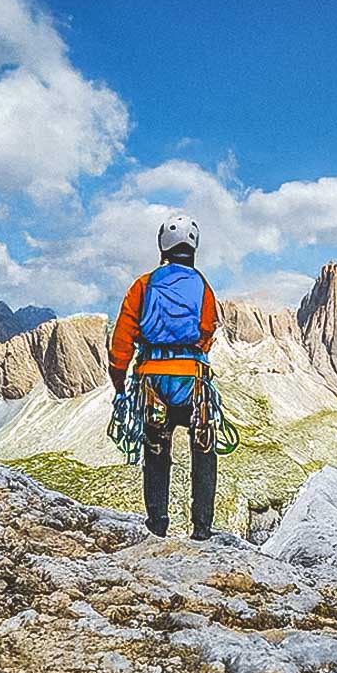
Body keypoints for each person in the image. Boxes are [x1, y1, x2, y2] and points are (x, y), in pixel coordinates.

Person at [108, 214, 220, 540]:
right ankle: (202, 529)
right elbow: (207, 330)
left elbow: (122, 340)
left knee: (156, 451)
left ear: (163, 246)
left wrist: (119, 381)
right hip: (192, 382)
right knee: (204, 449)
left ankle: (157, 525)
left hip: (153, 382)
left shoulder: (143, 286)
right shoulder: (202, 286)